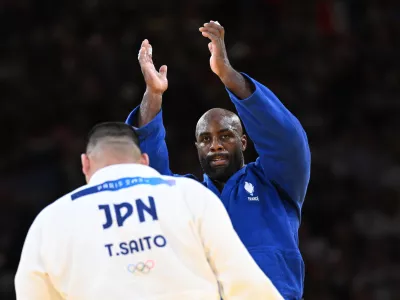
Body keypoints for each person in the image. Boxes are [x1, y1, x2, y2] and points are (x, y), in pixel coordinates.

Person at [126, 21, 311, 300]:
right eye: (206, 139)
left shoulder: (274, 183)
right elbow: (145, 178)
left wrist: (228, 75)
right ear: (197, 148)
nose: (215, 146)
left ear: (244, 142)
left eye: (225, 136)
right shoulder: (186, 195)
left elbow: (288, 140)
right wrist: (152, 96)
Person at [14, 122, 283, 300]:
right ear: (144, 161)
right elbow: (244, 282)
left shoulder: (51, 220)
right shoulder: (190, 195)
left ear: (85, 164)